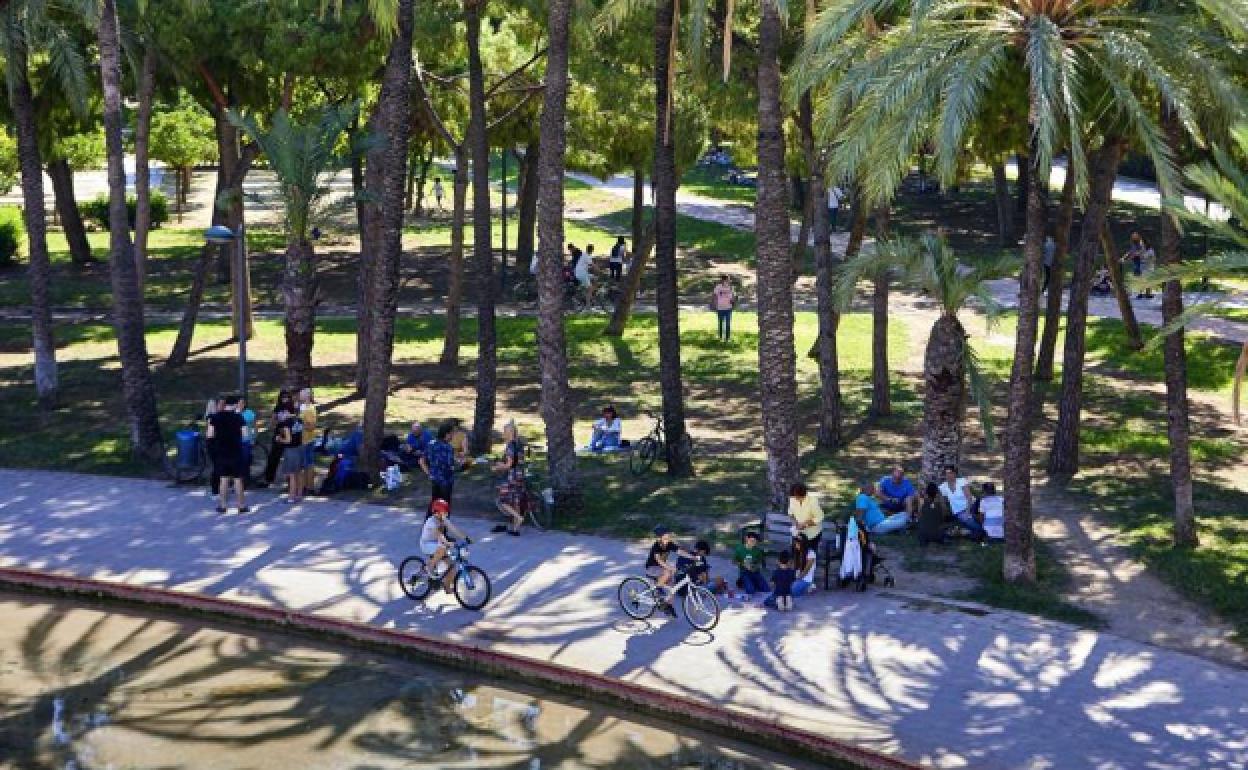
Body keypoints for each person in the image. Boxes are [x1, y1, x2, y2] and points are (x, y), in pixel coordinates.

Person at [207, 395, 248, 513]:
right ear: (235, 405)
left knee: (223, 479)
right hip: (236, 451)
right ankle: (241, 506)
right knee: (237, 479)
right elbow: (245, 435)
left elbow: (210, 435)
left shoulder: (215, 417)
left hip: (221, 452)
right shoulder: (239, 417)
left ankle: (223, 505)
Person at [420, 498, 469, 591]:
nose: (446, 514)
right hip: (426, 544)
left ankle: (447, 587)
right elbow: (440, 535)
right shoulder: (431, 522)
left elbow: (453, 529)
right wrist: (448, 543)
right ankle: (429, 567)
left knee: (452, 568)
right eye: (443, 512)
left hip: (437, 544)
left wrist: (465, 538)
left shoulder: (443, 519)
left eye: (446, 512)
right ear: (436, 513)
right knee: (442, 548)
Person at [492, 420, 527, 536]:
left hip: (512, 476)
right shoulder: (520, 444)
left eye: (504, 431)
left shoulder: (510, 446)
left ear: (509, 433)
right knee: (516, 501)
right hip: (520, 475)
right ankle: (515, 529)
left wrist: (498, 467)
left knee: (503, 501)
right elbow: (520, 461)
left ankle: (518, 517)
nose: (503, 434)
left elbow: (509, 464)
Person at [645, 526, 688, 617]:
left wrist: (693, 557)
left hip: (661, 568)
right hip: (652, 568)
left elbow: (680, 551)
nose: (667, 538)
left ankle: (668, 605)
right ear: (659, 538)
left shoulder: (669, 544)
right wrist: (670, 568)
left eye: (668, 536)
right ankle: (658, 587)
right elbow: (659, 561)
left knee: (672, 586)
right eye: (665, 536)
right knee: (668, 571)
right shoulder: (656, 546)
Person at [419, 423, 458, 516]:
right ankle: (442, 528)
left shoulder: (431, 444)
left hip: (435, 479)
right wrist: (463, 465)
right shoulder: (448, 448)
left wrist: (429, 473)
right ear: (447, 434)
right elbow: (451, 465)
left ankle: (428, 527)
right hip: (446, 481)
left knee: (434, 504)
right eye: (452, 433)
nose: (453, 435)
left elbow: (421, 461)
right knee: (444, 507)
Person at [939, 465, 985, 542]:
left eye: (950, 473)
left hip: (972, 505)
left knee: (969, 518)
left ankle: (982, 531)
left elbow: (969, 497)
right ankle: (982, 531)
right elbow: (943, 502)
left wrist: (967, 512)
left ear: (955, 474)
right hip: (959, 511)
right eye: (946, 473)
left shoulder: (961, 481)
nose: (948, 475)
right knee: (968, 521)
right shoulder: (943, 487)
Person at [787, 482, 824, 575]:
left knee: (809, 557)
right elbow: (791, 514)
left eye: (796, 496)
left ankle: (809, 580)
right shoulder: (792, 499)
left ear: (802, 495)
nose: (794, 498)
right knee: (796, 554)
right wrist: (795, 523)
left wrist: (805, 524)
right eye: (793, 496)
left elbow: (819, 517)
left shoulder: (813, 501)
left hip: (812, 535)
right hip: (798, 533)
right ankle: (797, 575)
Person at [262, 389, 296, 486]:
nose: (285, 399)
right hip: (279, 432)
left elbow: (296, 419)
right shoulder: (278, 408)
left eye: (287, 397)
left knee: (290, 457)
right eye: (283, 397)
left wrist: (290, 416)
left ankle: (290, 481)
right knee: (273, 457)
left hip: (290, 432)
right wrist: (276, 421)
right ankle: (269, 478)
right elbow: (272, 422)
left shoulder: (292, 408)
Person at [275, 407, 306, 503]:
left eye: (282, 412)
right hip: (300, 448)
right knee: (299, 473)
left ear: (288, 412)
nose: (280, 415)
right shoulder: (299, 420)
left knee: (292, 475)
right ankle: (299, 495)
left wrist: (279, 439)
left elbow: (288, 440)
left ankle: (291, 497)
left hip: (291, 450)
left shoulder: (286, 424)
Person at [732, 531, 770, 597]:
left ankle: (750, 582)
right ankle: (743, 581)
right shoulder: (739, 549)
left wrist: (755, 567)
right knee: (750, 591)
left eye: (755, 542)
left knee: (766, 589)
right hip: (744, 572)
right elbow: (734, 561)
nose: (753, 543)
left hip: (755, 572)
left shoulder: (757, 551)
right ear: (747, 539)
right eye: (752, 541)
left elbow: (760, 563)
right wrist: (743, 564)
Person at [1122, 231, 1155, 299]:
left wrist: (1137, 256)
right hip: (1143, 266)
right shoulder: (1140, 248)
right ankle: (1140, 293)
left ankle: (1148, 293)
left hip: (1149, 267)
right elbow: (1133, 253)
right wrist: (1126, 258)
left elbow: (1149, 257)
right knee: (1141, 279)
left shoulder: (1150, 250)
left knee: (1148, 280)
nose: (1141, 244)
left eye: (1142, 243)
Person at [298, 388, 318, 492]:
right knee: (304, 464)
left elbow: (311, 427)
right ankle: (304, 485)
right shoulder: (301, 407)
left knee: (307, 464)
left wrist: (300, 422)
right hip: (301, 439)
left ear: (307, 396)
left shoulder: (310, 409)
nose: (299, 395)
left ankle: (309, 486)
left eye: (301, 394)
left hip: (307, 440)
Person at [915, 482, 947, 546]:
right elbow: (944, 516)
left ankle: (924, 540)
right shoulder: (941, 505)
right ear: (937, 493)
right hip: (938, 535)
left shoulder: (922, 503)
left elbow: (919, 517)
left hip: (924, 535)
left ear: (926, 493)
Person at [711, 275, 736, 342]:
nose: (727, 281)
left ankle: (727, 338)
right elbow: (714, 296)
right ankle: (720, 337)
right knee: (721, 323)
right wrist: (714, 305)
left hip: (728, 308)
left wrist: (733, 302)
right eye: (726, 280)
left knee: (728, 324)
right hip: (720, 308)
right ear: (722, 280)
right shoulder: (718, 287)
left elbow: (733, 296)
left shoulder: (731, 287)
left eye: (728, 280)